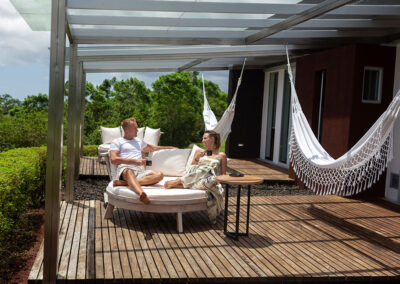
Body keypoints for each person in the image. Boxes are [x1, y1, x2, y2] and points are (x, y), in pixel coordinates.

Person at [109, 117, 176, 205]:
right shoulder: (117, 142)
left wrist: (170, 148)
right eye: (135, 128)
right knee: (129, 172)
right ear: (127, 129)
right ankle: (141, 194)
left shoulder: (138, 141)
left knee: (159, 175)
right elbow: (113, 159)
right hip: (125, 169)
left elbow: (153, 148)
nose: (137, 130)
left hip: (140, 172)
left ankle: (124, 184)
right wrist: (134, 161)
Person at [164, 130, 227, 223]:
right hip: (196, 179)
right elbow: (191, 169)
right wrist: (198, 157)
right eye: (202, 138)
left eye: (205, 138)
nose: (202, 140)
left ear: (212, 139)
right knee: (202, 169)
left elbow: (223, 175)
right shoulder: (199, 152)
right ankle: (181, 182)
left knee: (207, 171)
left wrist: (217, 180)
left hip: (210, 181)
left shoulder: (221, 156)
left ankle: (178, 182)